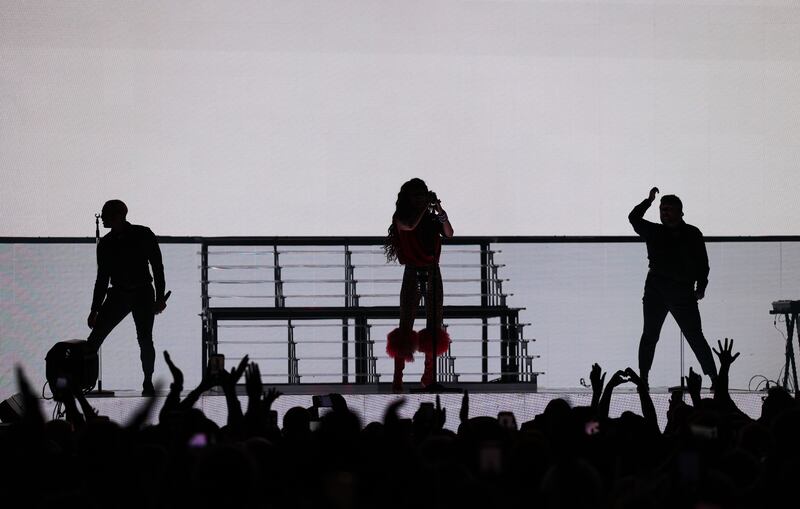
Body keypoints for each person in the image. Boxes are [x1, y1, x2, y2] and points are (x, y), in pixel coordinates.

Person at [629, 187, 717, 388]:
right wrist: (648, 200)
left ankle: (714, 377)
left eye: (668, 209)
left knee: (694, 335)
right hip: (657, 291)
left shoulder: (693, 234)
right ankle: (644, 378)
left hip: (681, 292)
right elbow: (633, 217)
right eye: (662, 209)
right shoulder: (655, 231)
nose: (664, 213)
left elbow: (703, 264)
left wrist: (701, 287)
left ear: (680, 212)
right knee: (650, 334)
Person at [86, 200, 168, 396]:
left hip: (127, 293)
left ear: (118, 215)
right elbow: (157, 268)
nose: (103, 218)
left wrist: (95, 309)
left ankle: (147, 381)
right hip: (137, 293)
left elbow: (157, 267)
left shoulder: (113, 242)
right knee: (143, 339)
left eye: (106, 214)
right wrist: (94, 309)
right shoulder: (139, 235)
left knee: (140, 339)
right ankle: (147, 382)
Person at [384, 178, 454, 392]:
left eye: (423, 195)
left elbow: (449, 232)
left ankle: (429, 374)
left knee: (435, 323)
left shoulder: (431, 218)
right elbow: (410, 224)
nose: (421, 199)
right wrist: (426, 207)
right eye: (417, 195)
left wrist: (439, 209)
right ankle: (398, 377)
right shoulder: (401, 217)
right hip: (413, 271)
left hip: (433, 270)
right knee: (406, 324)